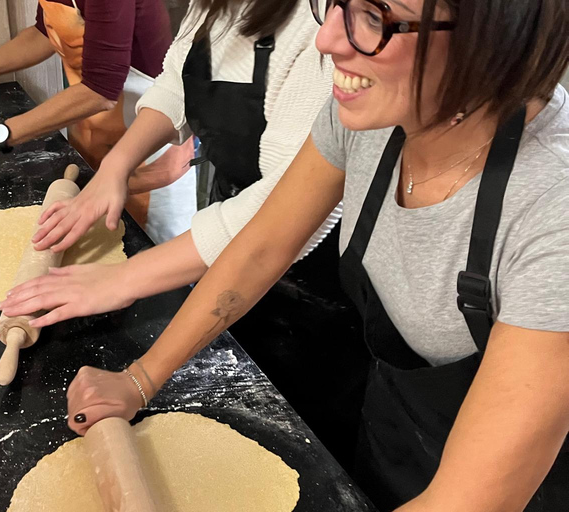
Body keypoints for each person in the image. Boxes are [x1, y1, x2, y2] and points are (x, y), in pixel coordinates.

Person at [63, 0, 569, 510]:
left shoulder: (553, 211)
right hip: (391, 430)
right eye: (337, 5)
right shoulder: (369, 114)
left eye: (375, 18)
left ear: (496, 33)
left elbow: (469, 500)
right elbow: (263, 247)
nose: (327, 41)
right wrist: (141, 377)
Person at [0, 0, 338, 327]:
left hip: (308, 279)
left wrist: (123, 279)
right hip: (233, 220)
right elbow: (177, 81)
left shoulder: (324, 24)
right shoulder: (214, 3)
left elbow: (287, 206)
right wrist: (116, 165)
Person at [0, 0, 196, 244]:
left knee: (147, 266)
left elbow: (100, 91)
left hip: (146, 154)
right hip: (92, 141)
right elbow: (45, 33)